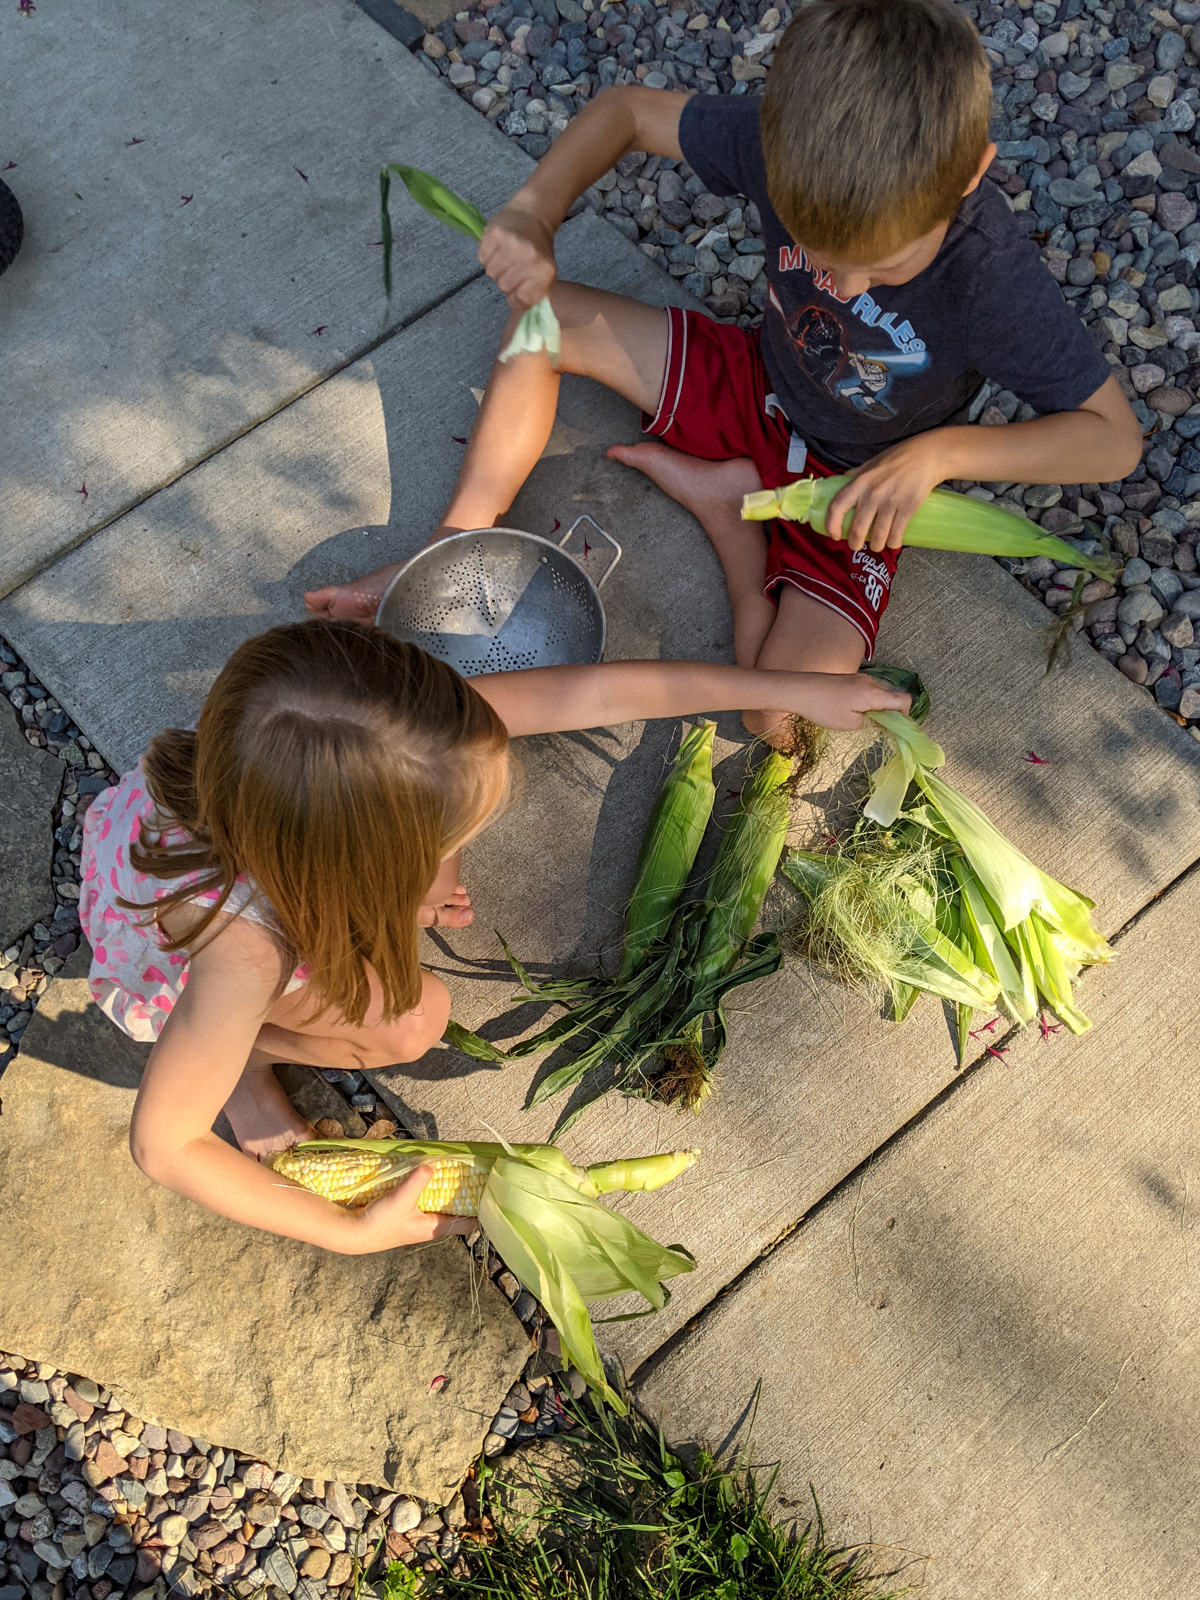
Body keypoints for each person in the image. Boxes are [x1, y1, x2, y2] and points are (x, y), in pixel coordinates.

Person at [306, 0, 1142, 743]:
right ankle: (457, 548)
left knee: (772, 718)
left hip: (854, 486)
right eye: (819, 256)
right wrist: (534, 209)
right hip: (755, 383)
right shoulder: (783, 140)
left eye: (880, 270)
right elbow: (626, 111)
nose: (843, 287)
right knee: (542, 319)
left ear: (969, 175)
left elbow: (1112, 443)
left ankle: (730, 523)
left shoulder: (987, 274)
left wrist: (941, 456)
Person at [83, 619, 909, 1254]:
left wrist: (788, 685)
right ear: (352, 878)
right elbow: (164, 1145)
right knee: (413, 1019)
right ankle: (239, 1071)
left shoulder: (339, 743)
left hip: (246, 873)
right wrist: (349, 1232)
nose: (458, 864)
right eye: (442, 855)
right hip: (172, 973)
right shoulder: (243, 952)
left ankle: (244, 1042)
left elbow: (592, 694)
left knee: (399, 997)